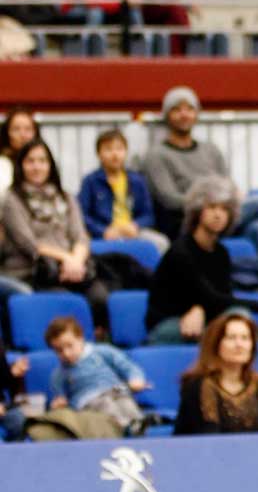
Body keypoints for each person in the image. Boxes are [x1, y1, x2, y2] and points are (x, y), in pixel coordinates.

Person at [143, 86, 258, 264]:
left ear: (196, 114)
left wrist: (230, 200)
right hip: (188, 222)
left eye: (189, 109)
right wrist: (208, 204)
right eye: (177, 109)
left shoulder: (210, 149)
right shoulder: (156, 155)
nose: (184, 114)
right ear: (167, 115)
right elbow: (168, 199)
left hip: (222, 216)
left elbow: (228, 185)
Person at [2, 140, 107, 322]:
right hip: (32, 271)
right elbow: (28, 244)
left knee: (100, 297)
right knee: (66, 302)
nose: (37, 167)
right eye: (30, 161)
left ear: (50, 165)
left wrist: (76, 260)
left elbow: (80, 236)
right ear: (21, 166)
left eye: (42, 161)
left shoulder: (66, 196)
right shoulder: (12, 199)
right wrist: (67, 258)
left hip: (71, 269)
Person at [145, 176, 251, 343]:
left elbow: (222, 298)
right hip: (169, 325)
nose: (218, 214)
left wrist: (200, 309)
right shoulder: (181, 251)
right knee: (228, 332)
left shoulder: (221, 253)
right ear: (198, 211)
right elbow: (208, 296)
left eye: (224, 209)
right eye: (212, 207)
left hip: (204, 319)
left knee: (238, 321)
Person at [175, 310, 258, 434]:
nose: (239, 344)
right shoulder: (199, 385)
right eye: (231, 338)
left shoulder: (257, 382)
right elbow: (207, 437)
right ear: (215, 344)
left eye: (245, 338)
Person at [46, 315, 148, 433]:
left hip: (114, 390)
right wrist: (58, 404)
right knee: (105, 405)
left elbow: (127, 366)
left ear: (80, 338)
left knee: (125, 400)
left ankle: (138, 422)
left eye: (70, 346)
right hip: (88, 402)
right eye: (59, 350)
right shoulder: (59, 374)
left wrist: (136, 379)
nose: (66, 353)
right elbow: (61, 399)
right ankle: (123, 427)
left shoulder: (102, 351)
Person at [78, 127, 167, 254]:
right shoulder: (90, 181)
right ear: (99, 154)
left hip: (132, 230)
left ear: (126, 152)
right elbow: (82, 215)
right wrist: (103, 231)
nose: (115, 154)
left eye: (119, 148)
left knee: (161, 243)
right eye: (108, 149)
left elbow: (148, 215)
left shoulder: (137, 180)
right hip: (104, 232)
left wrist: (135, 226)